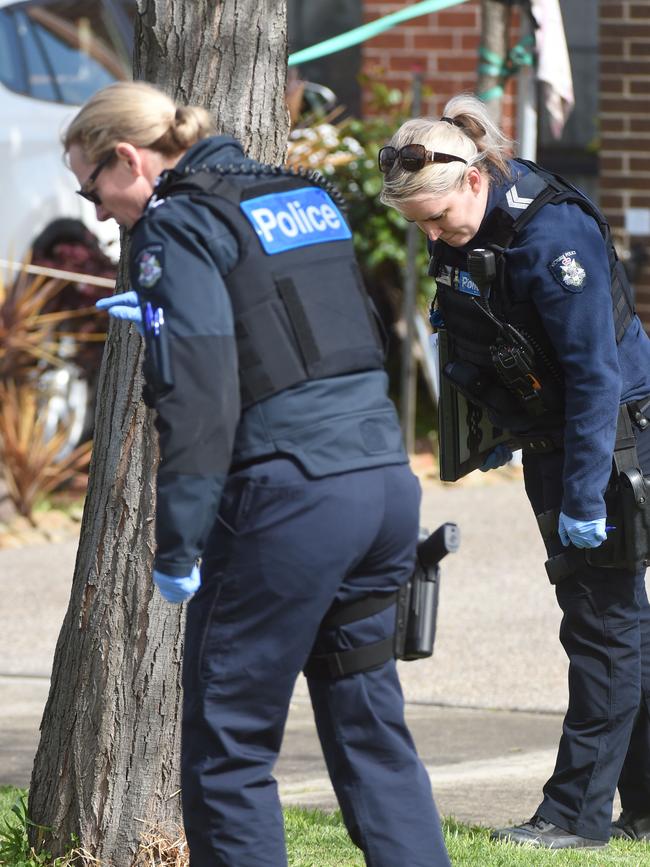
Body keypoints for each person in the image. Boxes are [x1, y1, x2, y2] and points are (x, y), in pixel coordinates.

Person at [63, 81, 451, 867]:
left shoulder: (178, 224)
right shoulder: (299, 194)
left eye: (91, 186)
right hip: (382, 483)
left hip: (289, 498)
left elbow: (199, 400)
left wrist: (177, 547)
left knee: (228, 749)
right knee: (369, 725)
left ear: (129, 158)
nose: (97, 210)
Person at [379, 93, 650, 850]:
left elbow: (594, 375)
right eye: (422, 226)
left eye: (438, 218)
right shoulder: (468, 219)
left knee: (603, 627)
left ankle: (575, 815)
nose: (434, 236)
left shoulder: (551, 235)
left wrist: (588, 489)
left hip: (609, 437)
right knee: (619, 624)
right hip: (554, 433)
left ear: (473, 182)